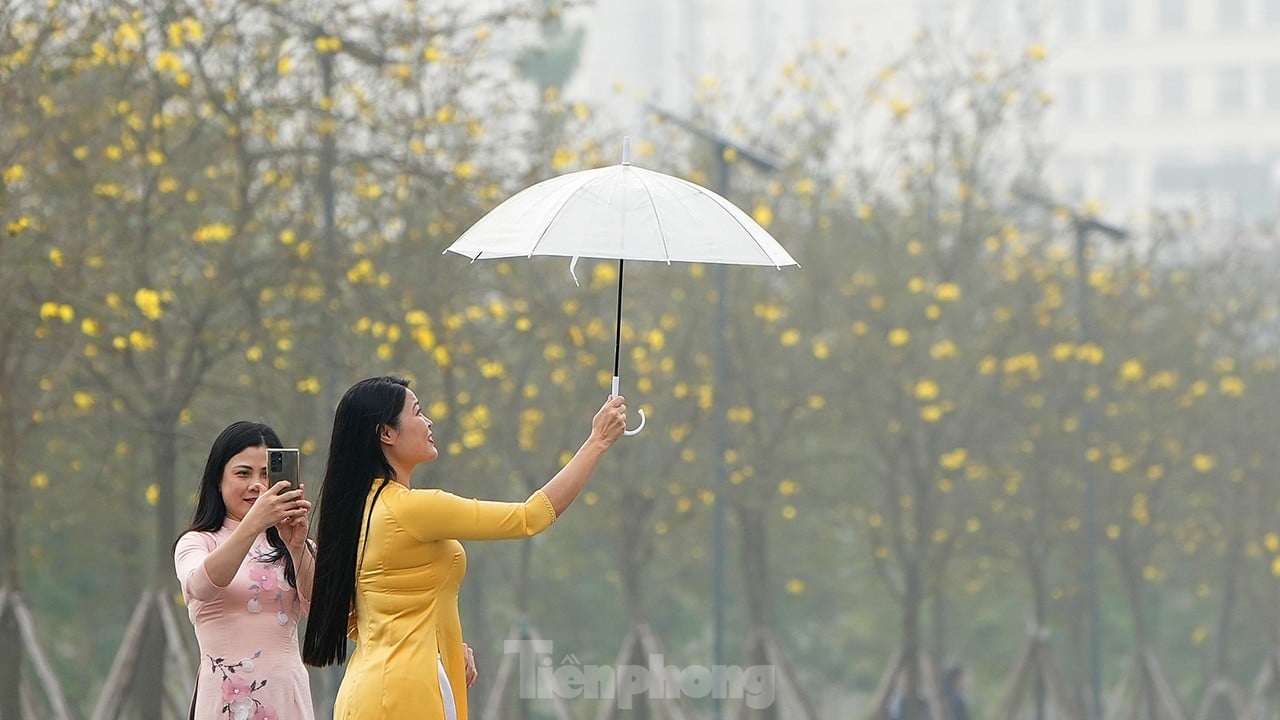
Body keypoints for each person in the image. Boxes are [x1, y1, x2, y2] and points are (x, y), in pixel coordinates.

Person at [302, 375, 627, 719]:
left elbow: (365, 621)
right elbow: (529, 517)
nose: (428, 422)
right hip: (405, 695)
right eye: (418, 412)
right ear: (386, 433)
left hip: (364, 692)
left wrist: (444, 645)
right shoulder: (412, 509)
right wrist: (597, 441)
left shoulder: (361, 509)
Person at [174, 421, 315, 720]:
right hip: (228, 700)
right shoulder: (199, 542)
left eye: (267, 474)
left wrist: (298, 547)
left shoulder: (296, 543)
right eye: (243, 473)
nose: (257, 485)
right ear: (217, 480)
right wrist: (255, 524)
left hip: (287, 696)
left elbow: (323, 614)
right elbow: (202, 585)